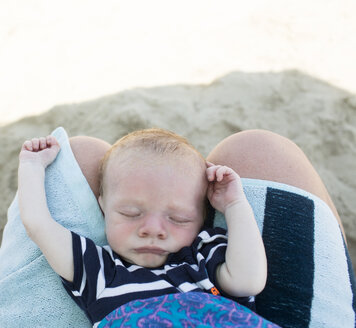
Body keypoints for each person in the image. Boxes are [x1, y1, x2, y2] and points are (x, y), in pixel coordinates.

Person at [17, 128, 267, 326]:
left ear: (202, 218)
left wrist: (235, 205)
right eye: (131, 213)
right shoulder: (101, 272)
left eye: (178, 218)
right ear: (103, 207)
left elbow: (249, 282)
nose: (152, 229)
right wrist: (32, 166)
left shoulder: (204, 254)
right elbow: (39, 225)